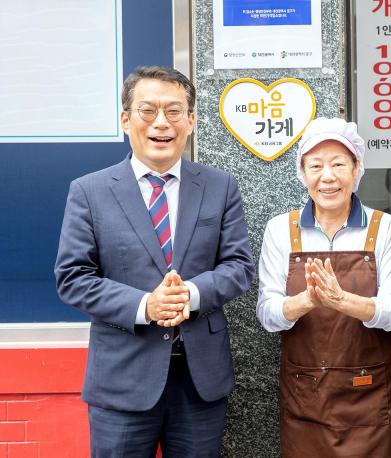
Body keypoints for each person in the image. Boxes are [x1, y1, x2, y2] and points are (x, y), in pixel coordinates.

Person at [55, 66, 255, 457]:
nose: (161, 123)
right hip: (122, 379)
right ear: (126, 119)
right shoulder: (90, 191)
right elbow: (73, 277)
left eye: (174, 111)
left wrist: (191, 295)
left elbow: (239, 265)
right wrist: (146, 305)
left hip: (199, 382)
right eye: (148, 111)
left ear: (192, 121)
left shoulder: (219, 186)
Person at [257, 117, 391, 457]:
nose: (327, 177)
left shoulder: (384, 228)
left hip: (369, 396)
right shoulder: (281, 230)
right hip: (304, 398)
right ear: (302, 173)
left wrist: (343, 300)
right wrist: (307, 300)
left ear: (357, 170)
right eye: (316, 166)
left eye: (339, 164)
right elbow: (267, 314)